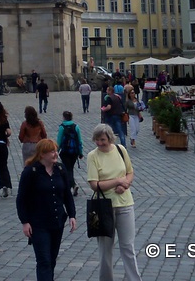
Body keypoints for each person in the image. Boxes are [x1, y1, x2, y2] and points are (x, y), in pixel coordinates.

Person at [87, 124, 143, 281]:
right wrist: (117, 181)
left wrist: (126, 184)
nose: (99, 143)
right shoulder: (93, 156)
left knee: (128, 247)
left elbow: (130, 172)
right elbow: (94, 185)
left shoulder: (120, 150)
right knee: (106, 250)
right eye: (97, 140)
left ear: (110, 138)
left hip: (125, 203)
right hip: (104, 208)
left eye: (102, 140)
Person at [16, 138, 77, 281]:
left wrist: (72, 215)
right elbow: (21, 199)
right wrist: (24, 222)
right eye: (52, 152)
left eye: (56, 151)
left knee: (52, 259)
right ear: (42, 154)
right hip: (38, 224)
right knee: (44, 260)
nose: (56, 154)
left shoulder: (60, 170)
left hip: (57, 222)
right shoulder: (31, 172)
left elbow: (67, 195)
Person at [56, 111, 83, 196]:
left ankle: (72, 185)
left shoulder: (62, 127)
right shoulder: (76, 127)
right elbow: (80, 140)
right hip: (74, 152)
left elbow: (59, 141)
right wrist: (80, 152)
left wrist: (56, 151)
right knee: (70, 168)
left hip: (65, 151)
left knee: (67, 169)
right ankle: (72, 185)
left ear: (64, 117)